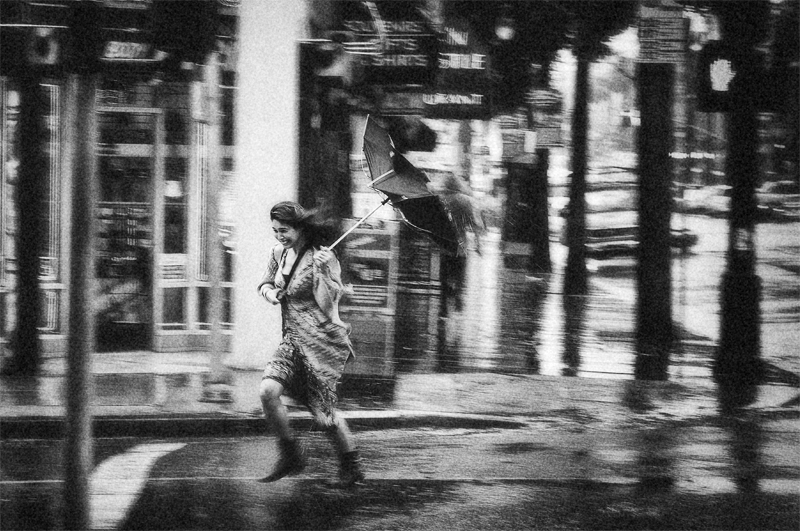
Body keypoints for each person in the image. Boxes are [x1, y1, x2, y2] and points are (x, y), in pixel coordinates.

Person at [256, 201, 364, 488]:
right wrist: (272, 295)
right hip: (291, 340)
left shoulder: (321, 258)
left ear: (300, 227)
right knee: (268, 391)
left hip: (317, 342)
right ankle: (290, 454)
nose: (279, 236)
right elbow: (264, 284)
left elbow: (329, 309)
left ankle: (350, 465)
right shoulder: (278, 253)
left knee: (323, 415)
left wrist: (324, 274)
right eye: (275, 230)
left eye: (284, 230)